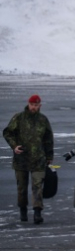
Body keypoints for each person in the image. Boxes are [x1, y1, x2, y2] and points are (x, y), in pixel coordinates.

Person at [3, 95, 54, 224]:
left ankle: (37, 212)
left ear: (40, 106)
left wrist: (49, 157)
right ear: (28, 104)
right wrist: (14, 146)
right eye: (32, 105)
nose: (34, 107)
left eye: (37, 105)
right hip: (22, 159)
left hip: (38, 160)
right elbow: (7, 132)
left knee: (37, 186)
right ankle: (23, 210)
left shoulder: (43, 120)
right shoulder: (19, 118)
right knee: (22, 188)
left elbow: (48, 139)